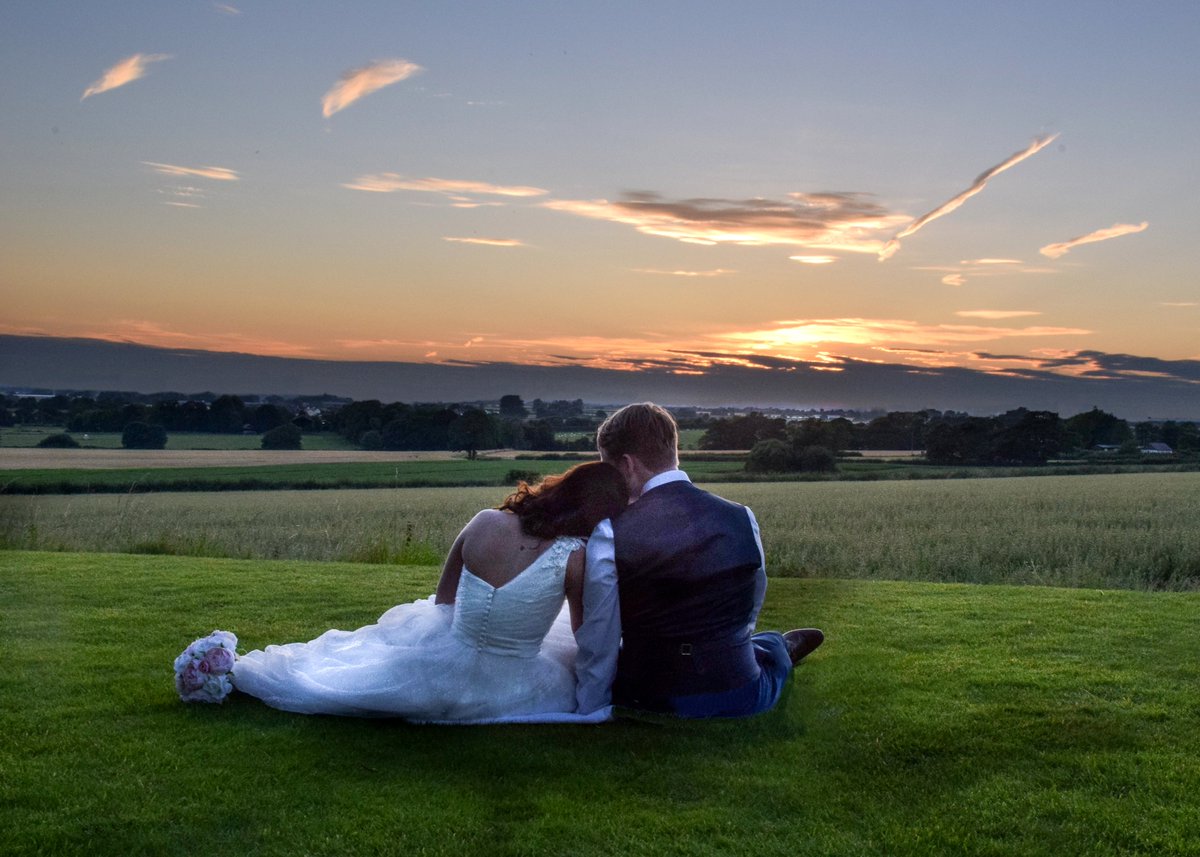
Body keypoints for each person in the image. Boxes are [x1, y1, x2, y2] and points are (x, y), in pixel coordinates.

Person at [232, 461, 629, 722]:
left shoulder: (484, 522)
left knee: (344, 672)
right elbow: (583, 633)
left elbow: (444, 599)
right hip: (515, 683)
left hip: (447, 656)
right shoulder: (575, 555)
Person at [575, 403, 824, 719]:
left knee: (608, 654)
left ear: (626, 465)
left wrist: (591, 709)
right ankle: (778, 648)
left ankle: (775, 647)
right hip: (741, 692)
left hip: (650, 697)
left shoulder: (611, 531)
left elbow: (601, 637)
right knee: (767, 646)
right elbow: (749, 604)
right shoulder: (742, 516)